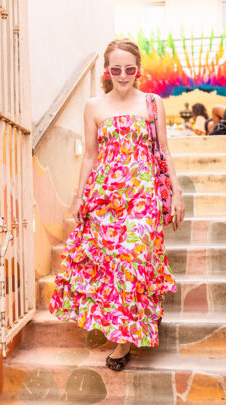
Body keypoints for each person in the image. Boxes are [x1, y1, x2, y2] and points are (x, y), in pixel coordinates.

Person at [50, 38, 183, 372]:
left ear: (138, 70)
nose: (123, 75)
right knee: (110, 264)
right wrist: (80, 195)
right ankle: (125, 331)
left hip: (143, 194)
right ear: (107, 71)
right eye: (116, 69)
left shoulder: (152, 103)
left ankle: (127, 337)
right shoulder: (94, 106)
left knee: (133, 257)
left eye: (129, 69)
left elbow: (164, 151)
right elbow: (90, 155)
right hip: (105, 196)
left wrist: (177, 194)